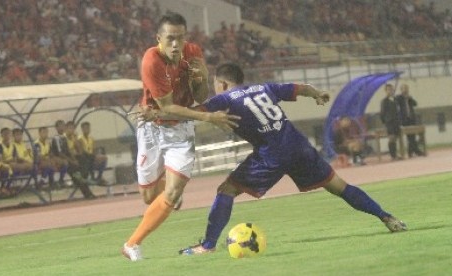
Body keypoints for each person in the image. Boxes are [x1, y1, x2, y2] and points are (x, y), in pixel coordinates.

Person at [173, 63, 407, 256]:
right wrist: (317, 93)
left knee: (226, 190)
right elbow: (299, 88)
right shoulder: (265, 88)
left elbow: (192, 113)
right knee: (339, 187)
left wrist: (161, 112)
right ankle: (386, 217)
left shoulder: (224, 98)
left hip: (270, 154)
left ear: (222, 84)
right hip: (298, 146)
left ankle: (208, 245)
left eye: (215, 85)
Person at [121, 12, 239, 261]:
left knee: (172, 195)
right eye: (170, 38)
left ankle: (132, 244)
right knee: (149, 197)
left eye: (181, 38)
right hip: (152, 129)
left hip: (182, 130)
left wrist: (202, 75)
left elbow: (199, 96)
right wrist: (209, 117)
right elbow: (166, 107)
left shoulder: (192, 52)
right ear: (159, 39)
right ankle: (169, 186)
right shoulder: (151, 61)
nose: (176, 44)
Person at [50, 120, 95, 199]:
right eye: (69, 128)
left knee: (85, 158)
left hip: (70, 160)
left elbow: (75, 151)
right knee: (78, 175)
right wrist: (73, 161)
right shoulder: (59, 138)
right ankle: (87, 192)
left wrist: (75, 159)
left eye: (73, 128)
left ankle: (87, 190)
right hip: (64, 162)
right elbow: (62, 153)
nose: (71, 130)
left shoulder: (72, 137)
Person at [396, 84, 424, 157]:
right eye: (404, 88)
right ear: (401, 90)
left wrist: (410, 98)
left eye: (406, 88)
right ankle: (416, 151)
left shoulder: (409, 98)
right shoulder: (399, 98)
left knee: (413, 136)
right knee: (409, 137)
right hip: (404, 120)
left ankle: (411, 152)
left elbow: (415, 104)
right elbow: (397, 104)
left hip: (411, 118)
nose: (405, 90)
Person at [380, 84, 401, 160]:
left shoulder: (395, 100)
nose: (390, 91)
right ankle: (393, 155)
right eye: (388, 89)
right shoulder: (384, 101)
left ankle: (395, 154)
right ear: (386, 91)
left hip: (396, 122)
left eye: (391, 89)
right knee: (391, 137)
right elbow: (382, 113)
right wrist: (384, 122)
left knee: (395, 138)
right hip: (389, 122)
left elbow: (398, 111)